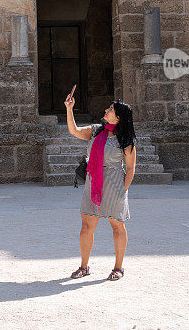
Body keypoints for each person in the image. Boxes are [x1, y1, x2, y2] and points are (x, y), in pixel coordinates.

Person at [64, 86, 137, 281]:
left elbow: (130, 168)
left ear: (119, 117)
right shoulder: (96, 131)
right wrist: (69, 108)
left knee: (117, 226)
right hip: (93, 182)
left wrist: (123, 189)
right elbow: (74, 130)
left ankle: (118, 267)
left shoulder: (126, 140)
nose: (106, 111)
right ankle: (84, 266)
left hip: (115, 184)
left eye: (110, 109)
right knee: (86, 226)